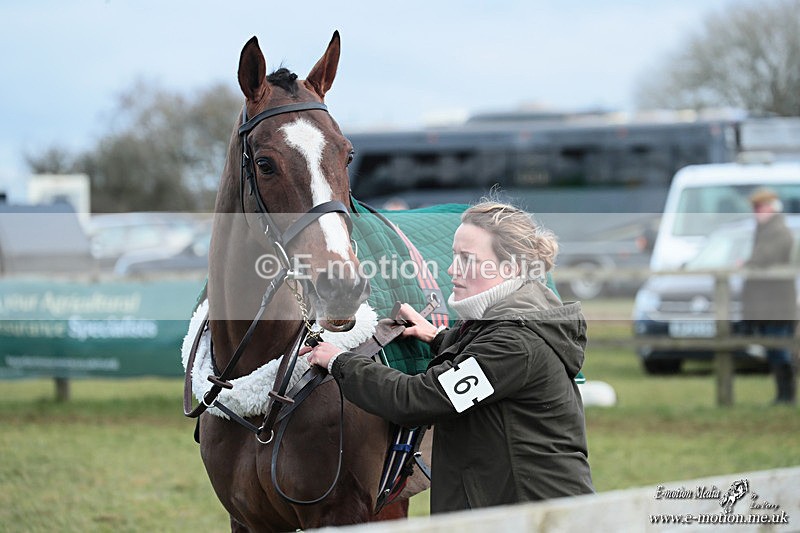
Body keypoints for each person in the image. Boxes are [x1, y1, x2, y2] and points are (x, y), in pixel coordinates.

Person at [301, 200, 594, 514]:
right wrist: (439, 337)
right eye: (455, 256)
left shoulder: (516, 343)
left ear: (509, 269)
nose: (452, 269)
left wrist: (338, 361)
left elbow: (415, 400)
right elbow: (483, 361)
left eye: (467, 259)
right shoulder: (510, 320)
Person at [742, 188, 797, 405]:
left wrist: (747, 264)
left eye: (760, 207)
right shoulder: (765, 231)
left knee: (780, 350)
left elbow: (762, 259)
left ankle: (787, 396)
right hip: (769, 304)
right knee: (775, 350)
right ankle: (782, 396)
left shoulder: (779, 232)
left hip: (778, 304)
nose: (757, 212)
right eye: (756, 207)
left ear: (772, 207)